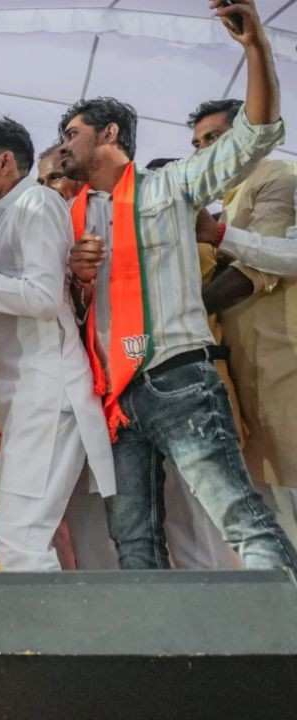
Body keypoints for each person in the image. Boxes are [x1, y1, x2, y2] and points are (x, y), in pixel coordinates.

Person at [63, 0, 297, 573]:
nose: (63, 144)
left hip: (177, 376)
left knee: (242, 521)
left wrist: (256, 50)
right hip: (115, 398)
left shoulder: (169, 188)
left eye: (72, 133)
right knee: (134, 545)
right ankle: (159, 663)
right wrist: (76, 277)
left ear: (111, 133)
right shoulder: (71, 217)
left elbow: (256, 135)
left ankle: (283, 650)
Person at [0, 118, 117, 571]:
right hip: (28, 400)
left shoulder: (35, 204)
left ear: (5, 162)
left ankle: (36, 644)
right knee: (79, 542)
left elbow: (44, 297)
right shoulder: (5, 217)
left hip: (46, 395)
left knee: (20, 539)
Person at [191, 98, 297, 543]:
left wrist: (184, 306)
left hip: (286, 356)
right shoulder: (225, 204)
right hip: (249, 368)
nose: (205, 152)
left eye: (214, 139)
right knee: (274, 502)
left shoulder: (278, 177)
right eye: (198, 145)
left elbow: (274, 261)